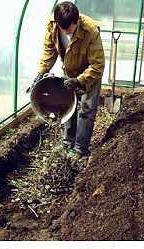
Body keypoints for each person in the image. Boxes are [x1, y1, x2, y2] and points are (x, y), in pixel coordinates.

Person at [32, 1, 105, 161]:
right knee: (67, 106)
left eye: (70, 30)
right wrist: (41, 72)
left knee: (86, 109)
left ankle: (80, 148)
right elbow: (49, 50)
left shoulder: (90, 30)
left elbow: (97, 64)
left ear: (77, 20)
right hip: (69, 70)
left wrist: (79, 80)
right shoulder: (52, 25)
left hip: (89, 74)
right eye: (63, 29)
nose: (66, 33)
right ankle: (67, 142)